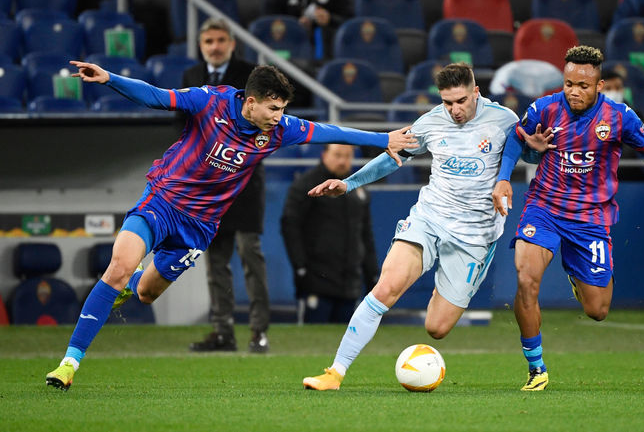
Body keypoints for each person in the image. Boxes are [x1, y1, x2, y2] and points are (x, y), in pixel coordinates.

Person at [44, 61, 417, 391]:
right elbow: (157, 96)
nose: (279, 116)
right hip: (162, 201)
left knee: (145, 292)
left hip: (199, 226)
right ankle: (69, 363)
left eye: (283, 109)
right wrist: (109, 79)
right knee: (119, 267)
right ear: (250, 102)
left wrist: (383, 139)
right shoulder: (209, 101)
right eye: (273, 108)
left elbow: (330, 131)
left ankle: (129, 285)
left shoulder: (279, 129)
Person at [491, 46, 644, 391]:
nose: (574, 92)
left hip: (590, 218)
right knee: (526, 279)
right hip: (544, 207)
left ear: (599, 85)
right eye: (569, 84)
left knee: (598, 310)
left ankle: (579, 278)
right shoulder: (544, 108)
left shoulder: (620, 117)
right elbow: (517, 139)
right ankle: (536, 367)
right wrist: (504, 178)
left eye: (583, 86)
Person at [301, 63, 548, 391]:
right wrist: (350, 183)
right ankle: (335, 373)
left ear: (476, 92)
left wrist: (535, 150)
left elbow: (527, 155)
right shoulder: (431, 121)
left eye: (461, 101)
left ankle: (444, 284)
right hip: (430, 218)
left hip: (475, 234)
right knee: (385, 288)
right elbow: (394, 157)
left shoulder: (503, 119)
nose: (454, 110)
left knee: (437, 328)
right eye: (447, 102)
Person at [181, 18, 269, 353]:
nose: (215, 47)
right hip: (209, 187)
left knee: (250, 257)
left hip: (244, 182)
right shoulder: (191, 77)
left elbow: (267, 121)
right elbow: (182, 126)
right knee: (214, 260)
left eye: (220, 40)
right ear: (200, 45)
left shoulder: (251, 75)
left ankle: (259, 332)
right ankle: (223, 332)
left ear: (232, 43)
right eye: (208, 41)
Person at [280, 144, 379, 324]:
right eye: (337, 155)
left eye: (347, 156)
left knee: (346, 338)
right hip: (315, 281)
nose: (342, 161)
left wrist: (371, 275)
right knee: (314, 337)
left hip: (350, 284)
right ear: (324, 155)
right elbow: (290, 225)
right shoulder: (306, 185)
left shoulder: (358, 189)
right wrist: (300, 266)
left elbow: (366, 235)